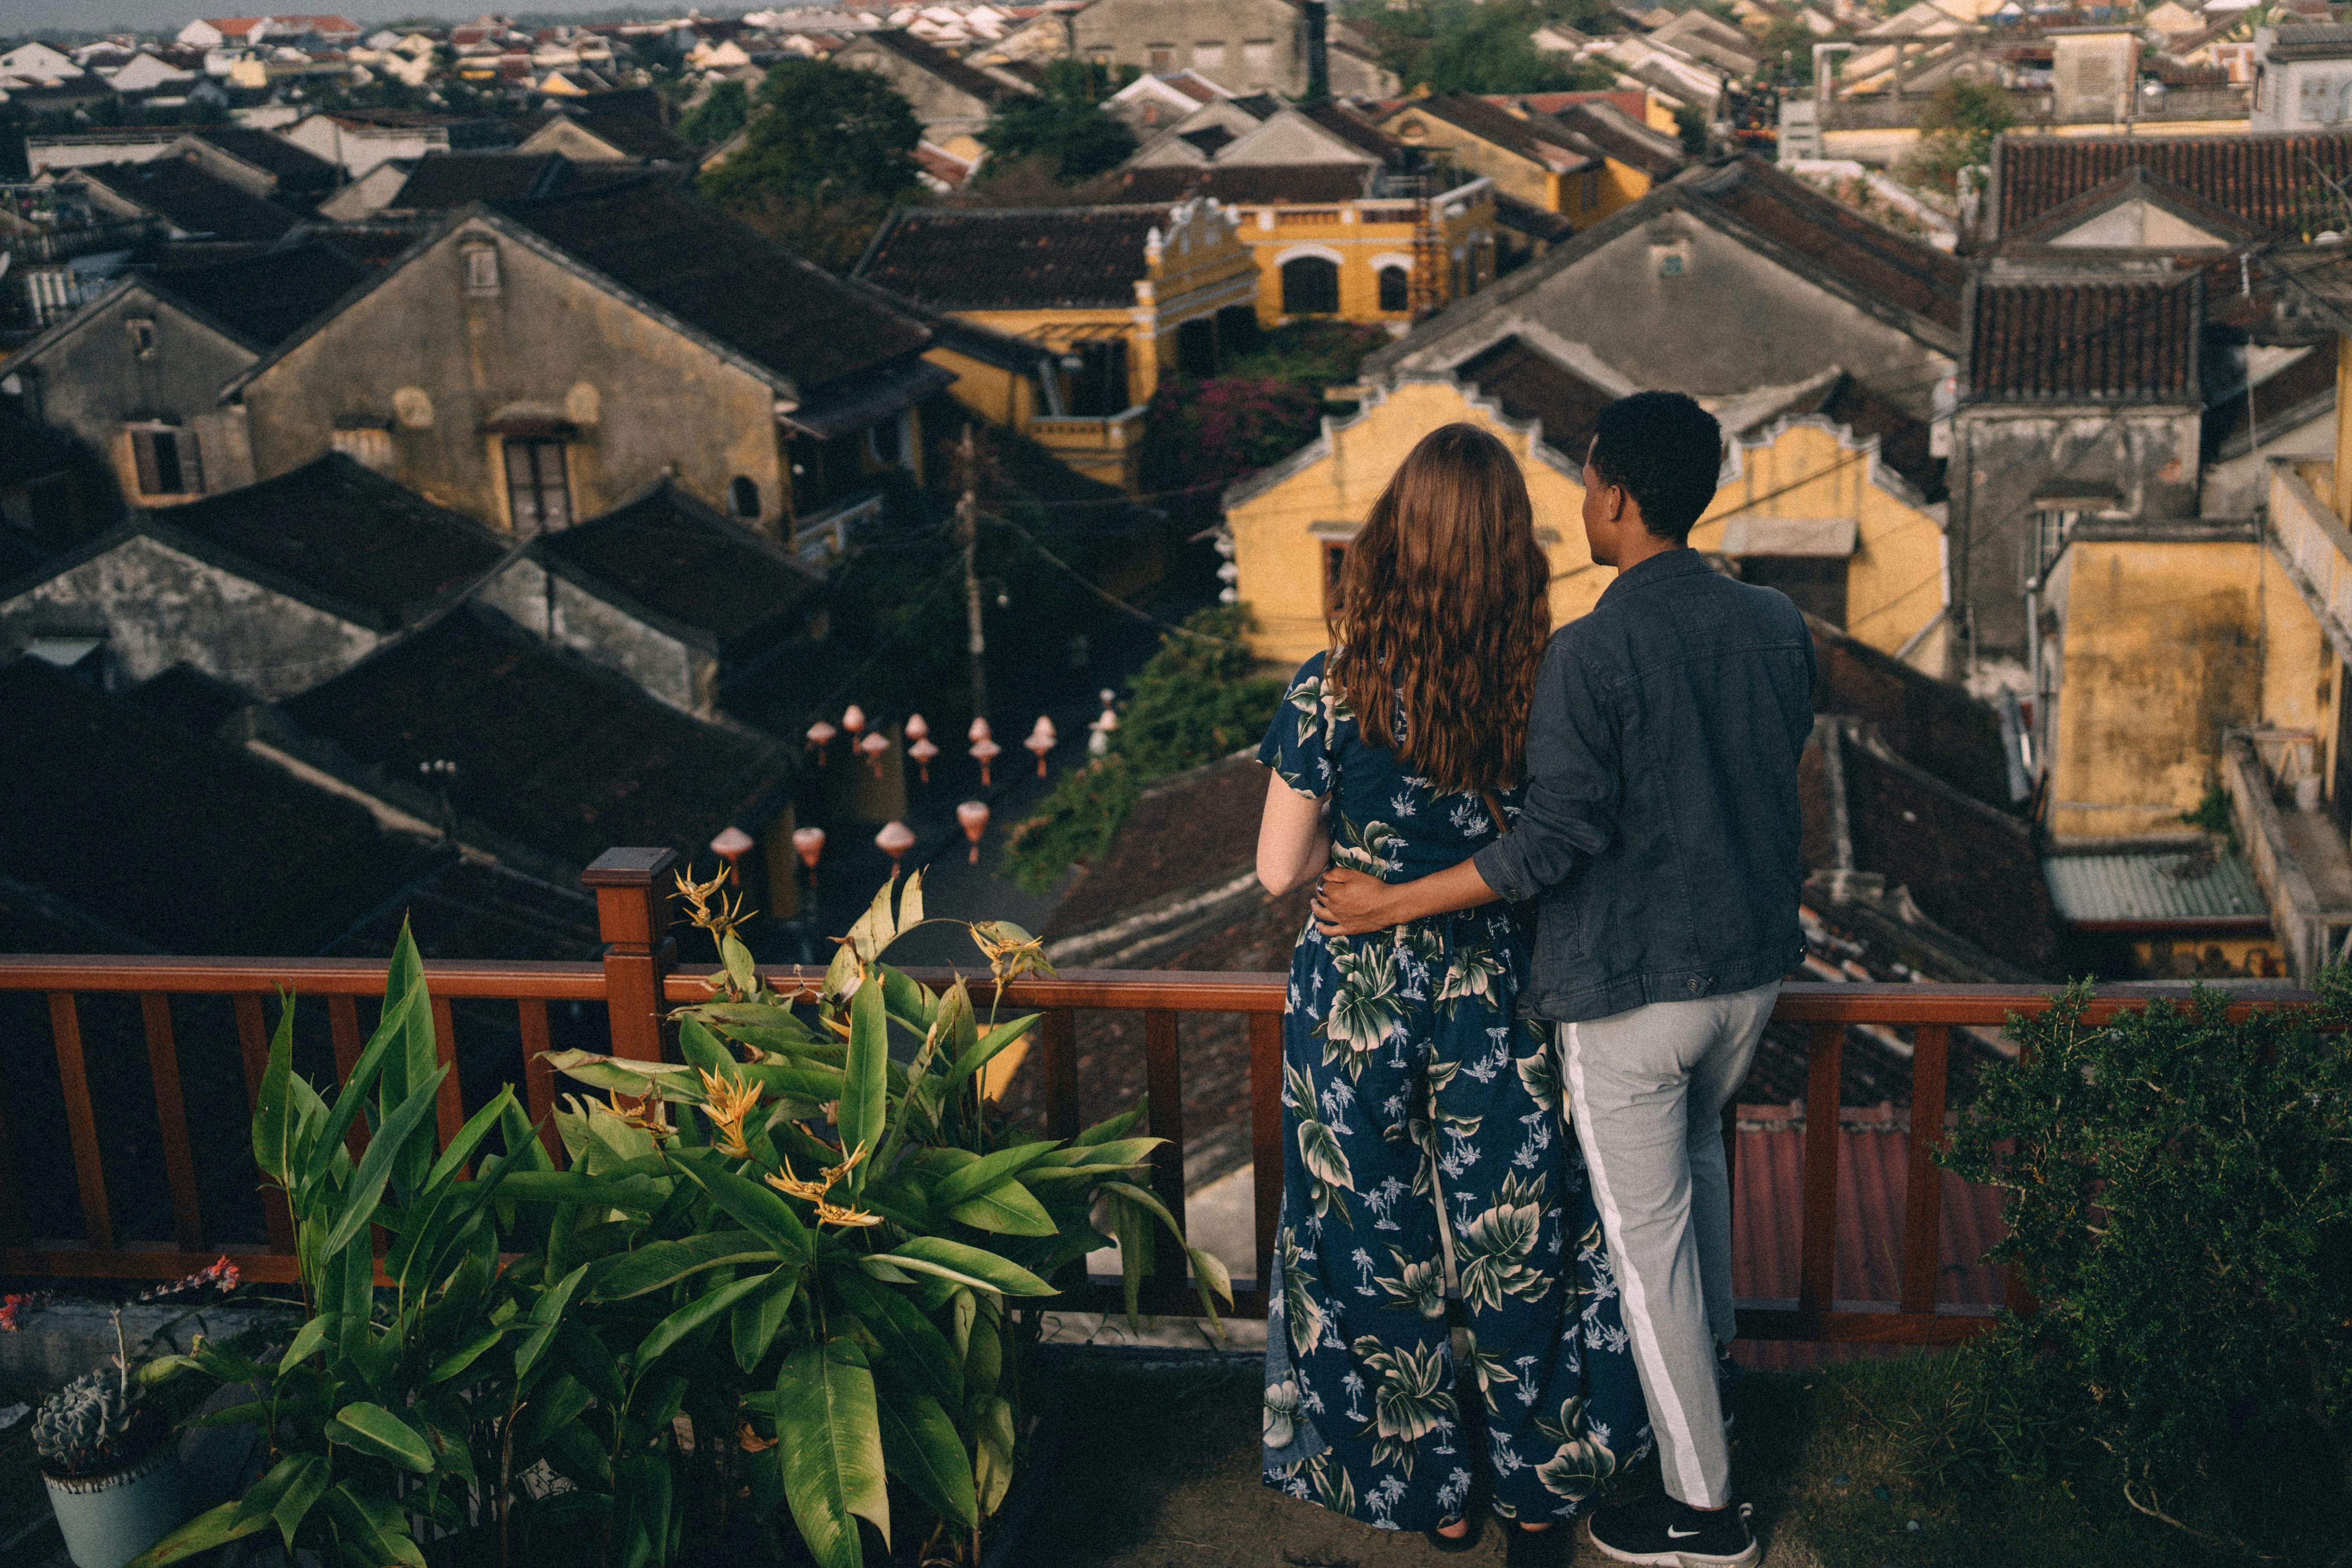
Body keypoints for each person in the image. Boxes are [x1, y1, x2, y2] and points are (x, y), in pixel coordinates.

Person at [1314, 392, 1815, 1568]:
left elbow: (1548, 844)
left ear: (1617, 498)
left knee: (1648, 1258)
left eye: (1589, 483)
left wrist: (1388, 900)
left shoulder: (1586, 651)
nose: (1583, 503)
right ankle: (1715, 1406)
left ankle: (1705, 1513)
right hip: (1748, 973)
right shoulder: (1776, 621)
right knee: (1697, 1188)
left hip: (1633, 991)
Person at [1254, 422, 1651, 1559]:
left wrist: (1367, 857)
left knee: (1368, 1241)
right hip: (1499, 989)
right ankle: (1539, 1487)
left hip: (1356, 992)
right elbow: (1572, 840)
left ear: (1390, 543)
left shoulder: (1328, 691)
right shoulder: (1550, 680)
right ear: (1511, 551)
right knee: (1516, 1239)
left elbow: (1279, 869)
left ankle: (1429, 1485)